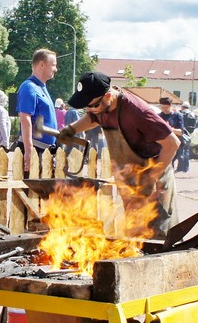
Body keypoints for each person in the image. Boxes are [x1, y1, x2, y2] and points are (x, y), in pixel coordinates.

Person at [61, 71, 180, 236]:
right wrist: (71, 129)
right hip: (130, 177)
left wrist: (151, 178)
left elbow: (173, 143)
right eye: (87, 107)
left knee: (158, 233)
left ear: (108, 96)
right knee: (134, 230)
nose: (90, 110)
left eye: (93, 106)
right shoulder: (100, 108)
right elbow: (92, 118)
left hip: (154, 176)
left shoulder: (137, 111)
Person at [17, 49, 59, 155]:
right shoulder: (29, 87)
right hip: (35, 149)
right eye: (53, 65)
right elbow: (25, 118)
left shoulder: (40, 87)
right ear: (42, 65)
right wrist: (28, 151)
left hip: (44, 149)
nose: (56, 69)